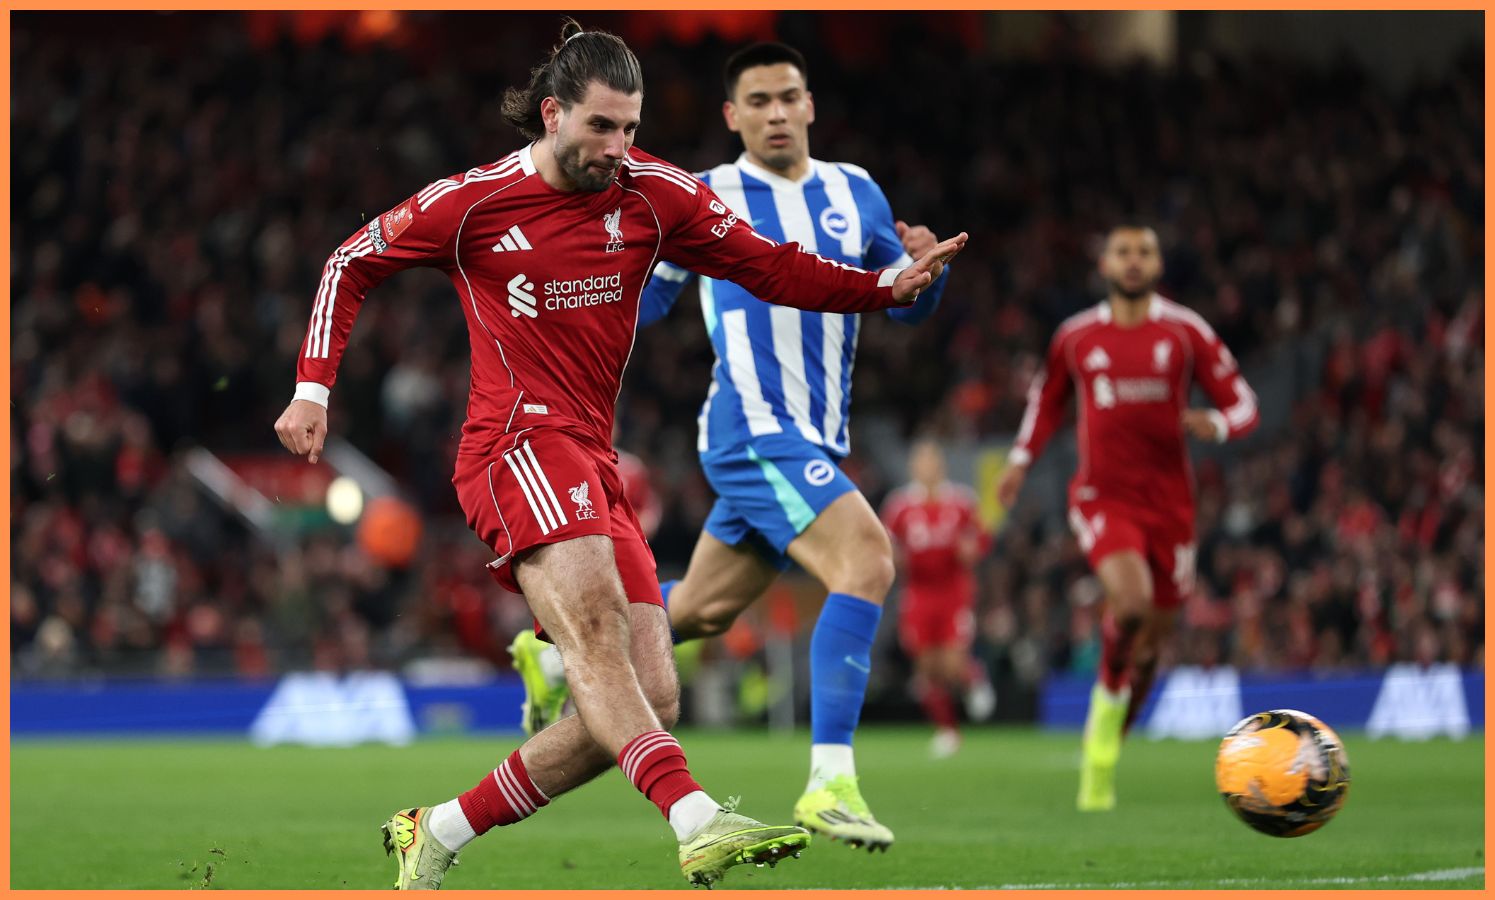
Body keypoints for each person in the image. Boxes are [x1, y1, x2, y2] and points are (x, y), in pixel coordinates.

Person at [273, 22, 967, 889]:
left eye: (631, 128)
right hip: (513, 443)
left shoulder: (652, 195)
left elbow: (769, 267)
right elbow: (351, 261)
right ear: (553, 114)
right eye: (602, 128)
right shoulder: (475, 202)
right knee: (599, 637)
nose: (619, 148)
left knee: (649, 700)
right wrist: (313, 388)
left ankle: (437, 830)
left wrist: (880, 288)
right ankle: (696, 818)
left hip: (591, 458)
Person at [511, 41, 953, 853]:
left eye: (789, 96)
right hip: (751, 429)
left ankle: (550, 660)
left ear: (809, 104)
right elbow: (639, 298)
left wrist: (926, 275)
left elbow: (904, 305)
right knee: (865, 559)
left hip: (816, 435)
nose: (776, 112)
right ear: (732, 116)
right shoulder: (706, 194)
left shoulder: (854, 192)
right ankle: (831, 782)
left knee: (701, 611)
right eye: (758, 101)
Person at [996, 225, 1258, 811]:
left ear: (1159, 263)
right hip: (1102, 497)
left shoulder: (1185, 331)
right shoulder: (1076, 337)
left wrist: (1215, 425)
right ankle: (1099, 746)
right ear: (1104, 262)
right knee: (1132, 605)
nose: (1133, 261)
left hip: (1171, 508)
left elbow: (1243, 401)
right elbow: (1046, 402)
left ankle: (1109, 738)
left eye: (1144, 252)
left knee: (1148, 651)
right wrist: (1018, 460)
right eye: (1123, 251)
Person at [880, 438, 994, 759]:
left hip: (953, 590)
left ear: (940, 465)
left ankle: (973, 678)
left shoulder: (961, 501)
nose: (927, 467)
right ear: (913, 467)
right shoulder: (899, 505)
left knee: (952, 662)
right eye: (921, 461)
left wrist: (973, 550)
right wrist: (894, 558)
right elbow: (886, 544)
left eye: (931, 460)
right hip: (917, 591)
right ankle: (948, 731)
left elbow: (981, 537)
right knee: (927, 666)